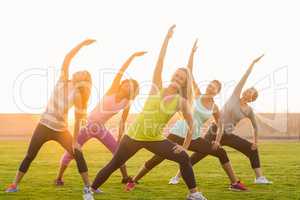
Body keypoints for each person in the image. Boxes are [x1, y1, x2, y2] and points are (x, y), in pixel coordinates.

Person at [91, 25, 207, 200]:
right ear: (172, 75)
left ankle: (193, 194)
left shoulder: (181, 102)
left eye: (182, 78)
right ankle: (90, 190)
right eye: (176, 75)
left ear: (184, 83)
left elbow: (191, 124)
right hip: (133, 136)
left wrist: (184, 145)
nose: (177, 78)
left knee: (183, 157)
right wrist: (167, 39)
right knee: (115, 163)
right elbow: (159, 62)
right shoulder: (156, 87)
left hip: (154, 139)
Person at [126, 40, 247, 192]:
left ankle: (234, 183)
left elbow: (220, 124)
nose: (210, 88)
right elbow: (189, 70)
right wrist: (192, 53)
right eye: (210, 85)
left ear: (217, 92)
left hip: (193, 138)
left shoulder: (215, 107)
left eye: (214, 88)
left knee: (221, 152)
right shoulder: (195, 93)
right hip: (177, 133)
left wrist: (217, 140)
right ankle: (134, 180)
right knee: (157, 158)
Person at [6, 39, 97, 200]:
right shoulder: (63, 80)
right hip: (43, 125)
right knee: (30, 155)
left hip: (61, 130)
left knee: (78, 154)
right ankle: (14, 185)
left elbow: (76, 120)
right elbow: (68, 57)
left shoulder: (76, 95)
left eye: (82, 72)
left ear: (83, 80)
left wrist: (75, 141)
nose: (78, 71)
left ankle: (87, 189)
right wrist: (82, 44)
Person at [54, 51, 146, 189]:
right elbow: (121, 71)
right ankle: (59, 178)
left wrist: (120, 136)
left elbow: (122, 121)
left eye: (131, 87)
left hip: (101, 128)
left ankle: (125, 177)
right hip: (88, 125)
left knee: (118, 151)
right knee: (73, 151)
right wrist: (132, 57)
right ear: (122, 84)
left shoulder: (127, 103)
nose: (128, 86)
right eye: (127, 84)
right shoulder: (112, 89)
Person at [192, 54, 272, 184]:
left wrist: (255, 141)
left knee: (252, 149)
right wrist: (252, 63)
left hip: (228, 135)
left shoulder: (249, 110)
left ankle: (259, 178)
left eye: (250, 92)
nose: (247, 92)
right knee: (200, 153)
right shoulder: (235, 96)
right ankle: (178, 175)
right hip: (215, 130)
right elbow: (244, 78)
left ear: (252, 98)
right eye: (247, 90)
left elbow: (255, 127)